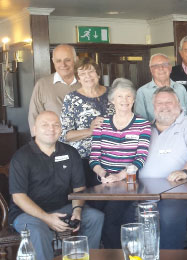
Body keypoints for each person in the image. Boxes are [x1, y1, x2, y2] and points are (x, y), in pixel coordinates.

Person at [9, 111, 104, 260]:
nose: (51, 129)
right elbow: (18, 197)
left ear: (61, 129)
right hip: (26, 213)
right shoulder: (21, 157)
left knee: (95, 217)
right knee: (39, 231)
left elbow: (79, 189)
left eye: (56, 125)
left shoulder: (71, 153)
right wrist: (46, 218)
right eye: (45, 125)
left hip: (62, 207)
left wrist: (77, 211)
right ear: (34, 130)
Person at [139, 87, 187, 249]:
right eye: (159, 103)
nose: (164, 106)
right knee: (119, 212)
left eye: (169, 102)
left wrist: (185, 172)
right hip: (144, 192)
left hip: (182, 192)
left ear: (179, 104)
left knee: (168, 214)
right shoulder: (145, 130)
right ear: (153, 106)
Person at [89, 78, 151, 248]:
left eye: (129, 96)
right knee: (95, 213)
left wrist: (119, 176)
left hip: (127, 181)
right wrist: (105, 175)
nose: (124, 100)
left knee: (112, 216)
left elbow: (140, 158)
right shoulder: (101, 124)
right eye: (120, 96)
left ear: (134, 99)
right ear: (112, 100)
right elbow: (94, 158)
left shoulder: (142, 124)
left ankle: (114, 254)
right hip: (102, 180)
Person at [60, 57, 114, 187]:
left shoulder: (113, 93)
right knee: (88, 198)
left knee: (113, 197)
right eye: (82, 74)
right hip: (83, 160)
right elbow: (64, 135)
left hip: (113, 157)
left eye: (91, 72)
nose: (87, 76)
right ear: (78, 78)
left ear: (98, 74)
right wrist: (90, 131)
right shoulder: (71, 98)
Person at [28, 44, 81, 135]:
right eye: (58, 61)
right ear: (53, 61)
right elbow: (34, 116)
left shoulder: (86, 83)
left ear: (76, 59)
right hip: (54, 143)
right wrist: (38, 143)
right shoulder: (42, 84)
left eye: (67, 60)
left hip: (84, 142)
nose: (63, 64)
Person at [135, 53, 187, 122]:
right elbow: (141, 121)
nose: (161, 68)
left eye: (165, 64)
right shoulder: (142, 92)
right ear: (151, 70)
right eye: (156, 66)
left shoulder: (181, 89)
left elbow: (185, 115)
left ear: (170, 68)